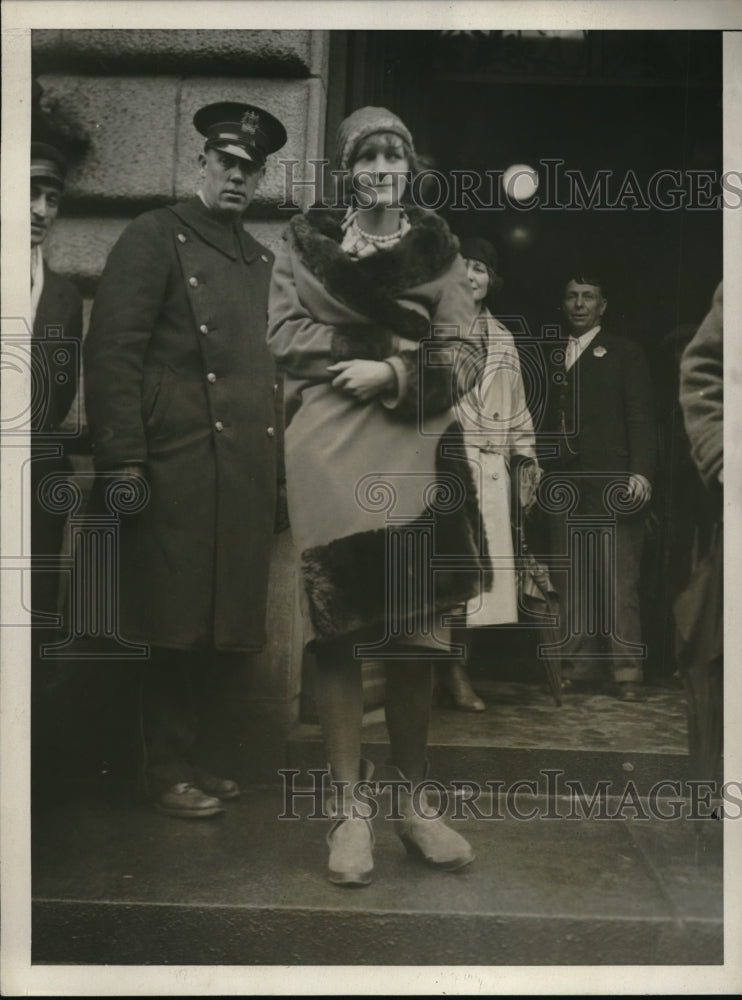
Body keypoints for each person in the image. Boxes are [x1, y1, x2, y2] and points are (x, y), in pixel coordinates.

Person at [267, 106, 486, 887]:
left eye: (396, 156)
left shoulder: (439, 246)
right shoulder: (304, 243)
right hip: (328, 447)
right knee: (340, 634)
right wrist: (373, 349)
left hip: (413, 448)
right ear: (349, 171)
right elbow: (284, 336)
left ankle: (413, 806)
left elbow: (463, 350)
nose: (383, 168)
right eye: (369, 158)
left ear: (410, 167)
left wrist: (396, 375)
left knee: (415, 634)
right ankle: (347, 814)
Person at [84, 102, 287, 819]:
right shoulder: (153, 236)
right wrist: (124, 464)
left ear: (260, 179)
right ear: (201, 163)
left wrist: (280, 484)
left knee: (218, 627)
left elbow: (272, 376)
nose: (237, 176)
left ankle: (195, 757)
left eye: (250, 169)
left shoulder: (261, 261)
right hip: (172, 469)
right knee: (169, 625)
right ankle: (162, 769)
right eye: (226, 163)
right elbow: (113, 355)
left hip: (238, 475)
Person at [541, 274, 656, 700]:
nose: (579, 304)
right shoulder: (550, 356)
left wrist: (642, 471)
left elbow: (642, 418)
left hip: (614, 483)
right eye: (571, 296)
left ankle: (627, 673)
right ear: (563, 303)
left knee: (617, 581)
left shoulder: (626, 353)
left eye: (588, 297)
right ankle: (578, 667)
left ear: (603, 306)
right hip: (563, 484)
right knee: (571, 580)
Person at [439, 236, 540, 711]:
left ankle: (459, 670)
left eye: (480, 268)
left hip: (493, 473)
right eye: (464, 267)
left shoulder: (503, 336)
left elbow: (518, 410)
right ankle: (440, 672)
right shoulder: (433, 329)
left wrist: (527, 461)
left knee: (480, 587)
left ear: (490, 280)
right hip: (446, 468)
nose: (472, 276)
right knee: (444, 576)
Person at [30, 139, 83, 623]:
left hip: (37, 485)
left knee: (33, 618)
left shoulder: (63, 298)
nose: (40, 210)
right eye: (30, 192)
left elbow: (58, 397)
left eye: (51, 199)